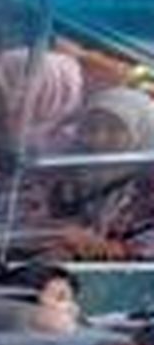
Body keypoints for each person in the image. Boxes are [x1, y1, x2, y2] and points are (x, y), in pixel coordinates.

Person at [41, 87, 154, 261]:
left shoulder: (148, 184)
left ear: (142, 129)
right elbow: (28, 215)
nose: (98, 138)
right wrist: (58, 233)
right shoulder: (65, 168)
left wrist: (104, 247)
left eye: (115, 129)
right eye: (90, 128)